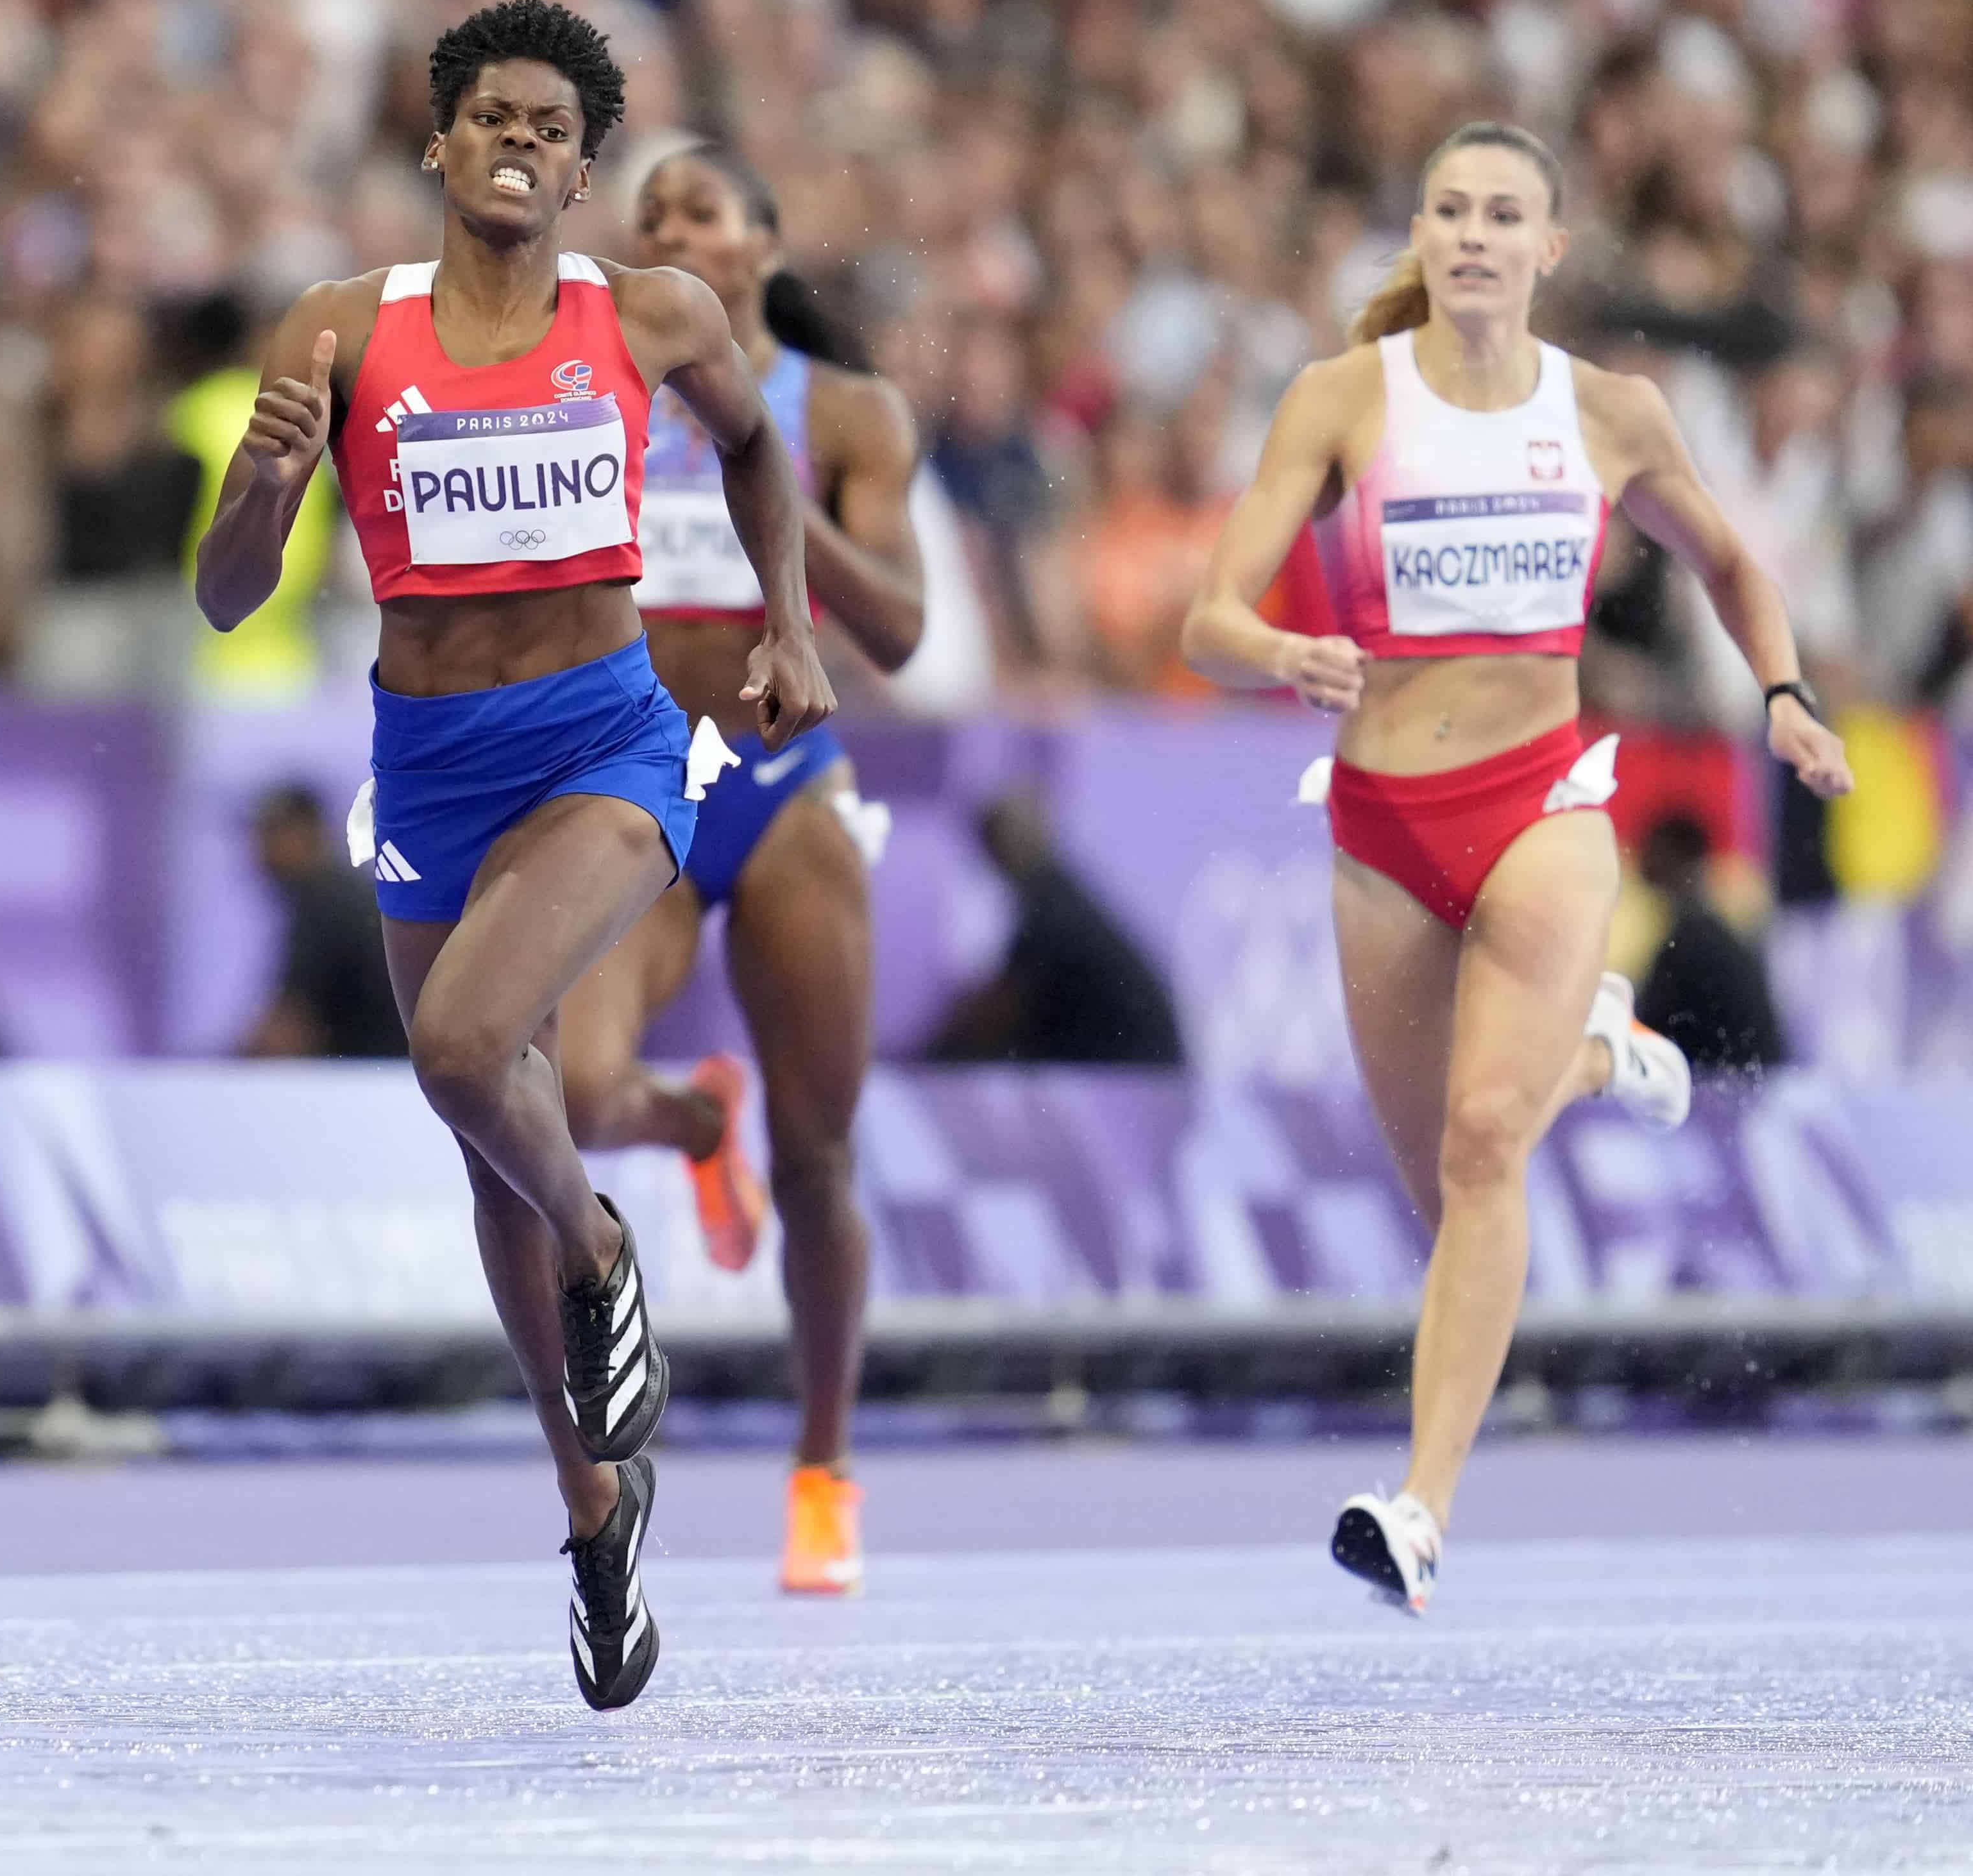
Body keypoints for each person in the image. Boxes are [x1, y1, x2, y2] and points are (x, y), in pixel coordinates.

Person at [194, 0, 836, 1711]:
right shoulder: (339, 330)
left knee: (466, 1045)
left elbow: (761, 445)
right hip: (427, 761)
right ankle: (591, 1506)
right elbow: (222, 591)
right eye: (489, 113)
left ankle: (607, 1249)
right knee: (484, 1145)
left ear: (579, 165)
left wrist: (784, 624)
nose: (518, 140)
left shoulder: (646, 313)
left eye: (552, 123)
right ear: (436, 142)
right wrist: (263, 484)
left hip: (604, 743)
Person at [1181, 120, 1850, 1614]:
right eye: (1449, 211)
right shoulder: (1346, 396)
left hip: (1542, 803)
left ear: (1549, 249)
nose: (1473, 235)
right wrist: (1283, 648)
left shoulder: (1606, 410)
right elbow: (1204, 617)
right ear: (1419, 237)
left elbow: (1735, 564)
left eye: (1504, 215)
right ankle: (1601, 1051)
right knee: (1447, 1186)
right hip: (1379, 832)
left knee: (1489, 1143)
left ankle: (1418, 1506)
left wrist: (1785, 693)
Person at [548, 144, 923, 1599]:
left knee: (824, 1155)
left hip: (782, 793)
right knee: (576, 1091)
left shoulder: (844, 412)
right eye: (649, 223)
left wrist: (771, 483)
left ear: (765, 244)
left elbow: (894, 629)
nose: (673, 234)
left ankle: (822, 1467)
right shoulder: (596, 385)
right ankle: (698, 1120)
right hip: (637, 778)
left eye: (700, 213)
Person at [920, 790, 1188, 1069]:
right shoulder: (1058, 895)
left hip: (1137, 1076)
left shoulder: (1051, 913)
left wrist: (929, 1058)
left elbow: (999, 1012)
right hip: (1144, 1068)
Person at [241, 783, 407, 1061]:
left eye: (274, 831)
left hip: (366, 1080)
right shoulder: (348, 895)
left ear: (310, 833)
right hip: (388, 1076)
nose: (260, 848)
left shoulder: (325, 904)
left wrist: (210, 1073)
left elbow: (287, 1034)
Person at [1633, 814, 1788, 1077]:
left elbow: (1651, 1032)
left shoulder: (1691, 943)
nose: (1642, 860)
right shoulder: (1709, 931)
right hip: (1748, 1084)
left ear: (1673, 857)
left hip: (1732, 1091)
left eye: (1652, 851)